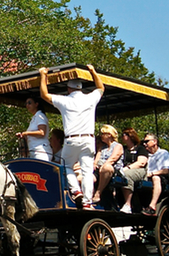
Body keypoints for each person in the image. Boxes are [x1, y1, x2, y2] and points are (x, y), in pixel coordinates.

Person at [38, 64, 104, 209]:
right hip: (88, 139)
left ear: (69, 89)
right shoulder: (90, 98)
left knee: (66, 166)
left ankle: (75, 190)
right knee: (87, 171)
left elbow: (44, 95)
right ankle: (87, 202)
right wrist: (93, 72)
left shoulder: (65, 100)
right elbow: (101, 88)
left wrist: (44, 75)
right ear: (80, 88)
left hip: (71, 139)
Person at [122, 133, 169, 215]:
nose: (144, 144)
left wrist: (153, 173)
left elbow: (166, 170)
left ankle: (152, 206)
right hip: (146, 177)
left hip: (160, 178)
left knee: (156, 178)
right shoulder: (146, 154)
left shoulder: (163, 153)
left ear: (154, 142)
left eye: (147, 141)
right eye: (143, 142)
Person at [92, 124, 124, 205]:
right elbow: (96, 161)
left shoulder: (118, 146)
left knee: (107, 167)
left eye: (103, 134)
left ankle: (98, 193)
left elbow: (112, 159)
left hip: (112, 170)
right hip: (99, 169)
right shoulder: (102, 148)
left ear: (109, 135)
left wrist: (103, 166)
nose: (101, 136)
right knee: (86, 177)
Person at [120, 128, 148, 212]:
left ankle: (128, 205)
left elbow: (141, 163)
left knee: (127, 175)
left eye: (123, 135)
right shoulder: (123, 149)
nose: (121, 137)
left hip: (139, 170)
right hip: (123, 169)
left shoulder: (140, 148)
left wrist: (127, 168)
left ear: (130, 136)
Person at [17, 95, 52, 160]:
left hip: (41, 151)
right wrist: (23, 135)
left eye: (29, 103)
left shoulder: (40, 115)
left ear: (36, 104)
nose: (27, 105)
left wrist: (27, 133)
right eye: (26, 103)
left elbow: (42, 132)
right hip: (33, 151)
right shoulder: (34, 118)